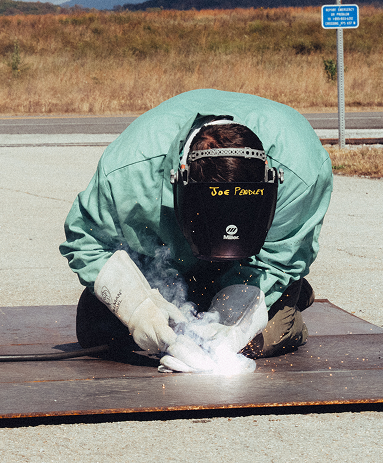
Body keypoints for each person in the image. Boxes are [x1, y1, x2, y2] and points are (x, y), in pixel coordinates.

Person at [60, 89, 333, 371]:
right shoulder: (130, 171)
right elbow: (87, 243)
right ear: (178, 185)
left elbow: (280, 257)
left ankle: (291, 300)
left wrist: (231, 328)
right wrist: (140, 309)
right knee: (99, 330)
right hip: (165, 267)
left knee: (257, 341)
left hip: (249, 268)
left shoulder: (301, 171)